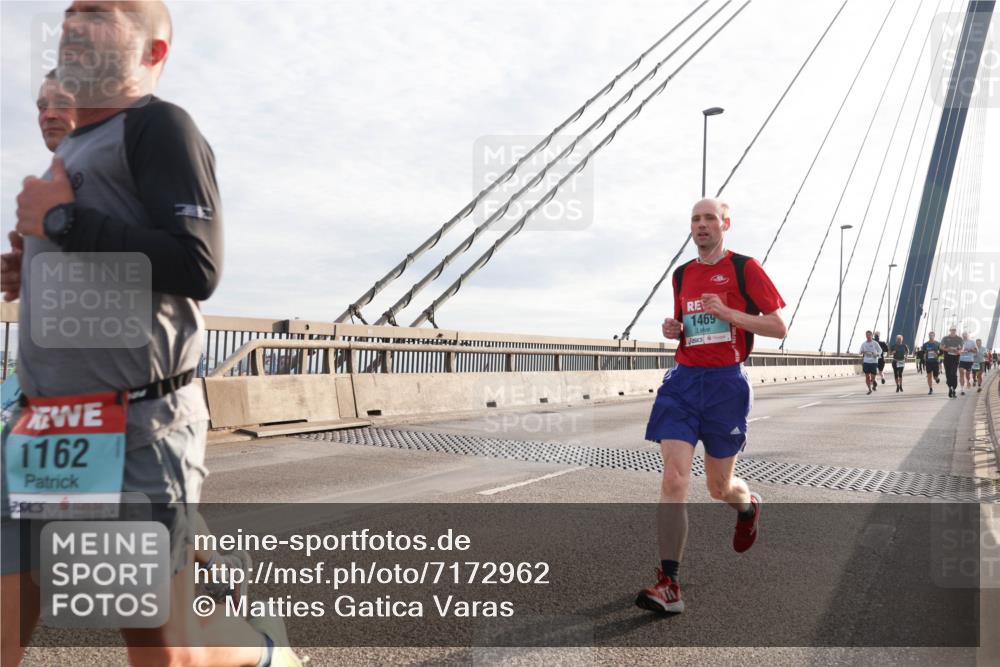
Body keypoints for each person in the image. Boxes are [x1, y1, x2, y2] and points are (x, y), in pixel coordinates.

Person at [2, 2, 302, 666]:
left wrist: (64, 225)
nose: (73, 21)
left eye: (99, 12)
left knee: (164, 652)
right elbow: (108, 259)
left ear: (153, 53)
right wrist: (38, 269)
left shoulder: (160, 126)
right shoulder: (73, 149)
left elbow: (196, 265)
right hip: (48, 427)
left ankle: (260, 651)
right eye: (70, 10)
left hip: (131, 424)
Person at [635, 198, 786, 615]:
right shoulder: (682, 273)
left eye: (709, 219)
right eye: (695, 219)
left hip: (726, 386)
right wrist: (675, 329)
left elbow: (778, 326)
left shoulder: (745, 268)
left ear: (725, 224)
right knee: (674, 478)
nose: (701, 225)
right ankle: (669, 584)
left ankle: (747, 506)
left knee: (719, 488)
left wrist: (730, 313)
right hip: (683, 383)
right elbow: (687, 327)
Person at [940, 326, 963, 398]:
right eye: (952, 330)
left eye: (954, 330)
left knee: (953, 373)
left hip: (955, 358)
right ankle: (950, 387)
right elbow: (941, 347)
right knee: (948, 373)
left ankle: (953, 388)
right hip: (947, 358)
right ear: (950, 330)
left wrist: (959, 351)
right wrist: (947, 349)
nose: (953, 331)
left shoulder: (959, 338)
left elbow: (962, 348)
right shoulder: (945, 338)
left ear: (956, 331)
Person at [859, 331, 882, 395]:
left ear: (872, 336)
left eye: (869, 335)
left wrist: (877, 354)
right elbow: (860, 351)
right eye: (867, 335)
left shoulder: (875, 343)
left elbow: (880, 350)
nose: (868, 336)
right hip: (866, 362)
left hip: (874, 362)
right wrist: (862, 352)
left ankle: (874, 381)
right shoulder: (864, 344)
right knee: (867, 376)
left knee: (873, 377)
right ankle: (869, 389)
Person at [958, 331, 976, 396]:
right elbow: (957, 350)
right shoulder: (960, 342)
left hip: (969, 360)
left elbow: (976, 351)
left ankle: (968, 381)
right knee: (961, 372)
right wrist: (959, 350)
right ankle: (962, 389)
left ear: (968, 335)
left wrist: (969, 350)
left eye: (965, 334)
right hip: (962, 360)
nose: (964, 336)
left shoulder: (972, 342)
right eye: (963, 335)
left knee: (967, 374)